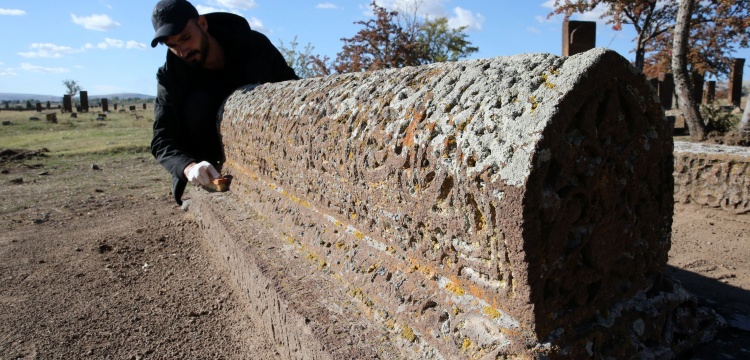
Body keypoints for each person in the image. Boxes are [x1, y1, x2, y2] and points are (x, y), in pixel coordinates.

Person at [149, 0, 298, 205]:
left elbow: (292, 89)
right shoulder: (171, 77)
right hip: (211, 169)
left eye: (185, 38)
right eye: (173, 46)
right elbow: (161, 140)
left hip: (266, 156)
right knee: (197, 104)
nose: (183, 51)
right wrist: (189, 167)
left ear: (202, 24)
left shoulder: (254, 46)